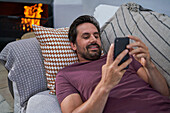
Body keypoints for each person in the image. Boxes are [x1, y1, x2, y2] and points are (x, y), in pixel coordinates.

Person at [55, 15, 170, 113]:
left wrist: (149, 65)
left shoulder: (122, 58)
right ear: (73, 45)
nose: (93, 39)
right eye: (86, 37)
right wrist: (106, 84)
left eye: (96, 36)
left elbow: (164, 93)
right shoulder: (66, 75)